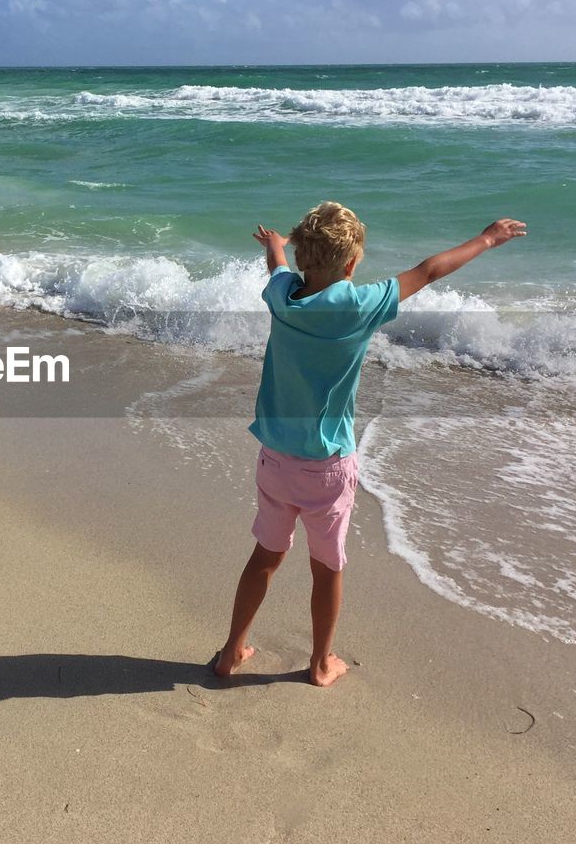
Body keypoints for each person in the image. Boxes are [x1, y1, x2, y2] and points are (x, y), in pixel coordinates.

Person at [214, 202, 527, 686]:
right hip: (328, 466)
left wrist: (276, 245)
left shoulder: (282, 296)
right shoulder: (360, 305)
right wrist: (486, 239)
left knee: (266, 557)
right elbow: (429, 271)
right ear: (352, 265)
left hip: (274, 457)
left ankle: (232, 650)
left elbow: (278, 270)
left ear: (302, 258)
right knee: (327, 567)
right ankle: (319, 663)